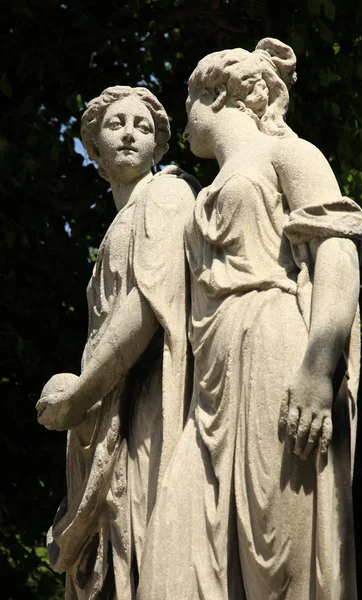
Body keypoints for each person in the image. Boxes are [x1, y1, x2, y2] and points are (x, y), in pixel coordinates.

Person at [137, 39, 362, 600]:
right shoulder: (197, 193)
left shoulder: (289, 154)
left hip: (274, 349)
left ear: (212, 95)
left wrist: (318, 368)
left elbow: (337, 253)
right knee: (168, 569)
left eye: (186, 102)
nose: (185, 120)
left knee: (278, 566)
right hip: (208, 382)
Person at [36, 85, 198, 600]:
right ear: (95, 150)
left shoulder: (168, 194)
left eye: (143, 126)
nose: (129, 132)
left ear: (159, 147)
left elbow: (148, 302)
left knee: (144, 553)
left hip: (152, 402)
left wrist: (80, 394)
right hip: (115, 412)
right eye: (116, 124)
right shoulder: (118, 225)